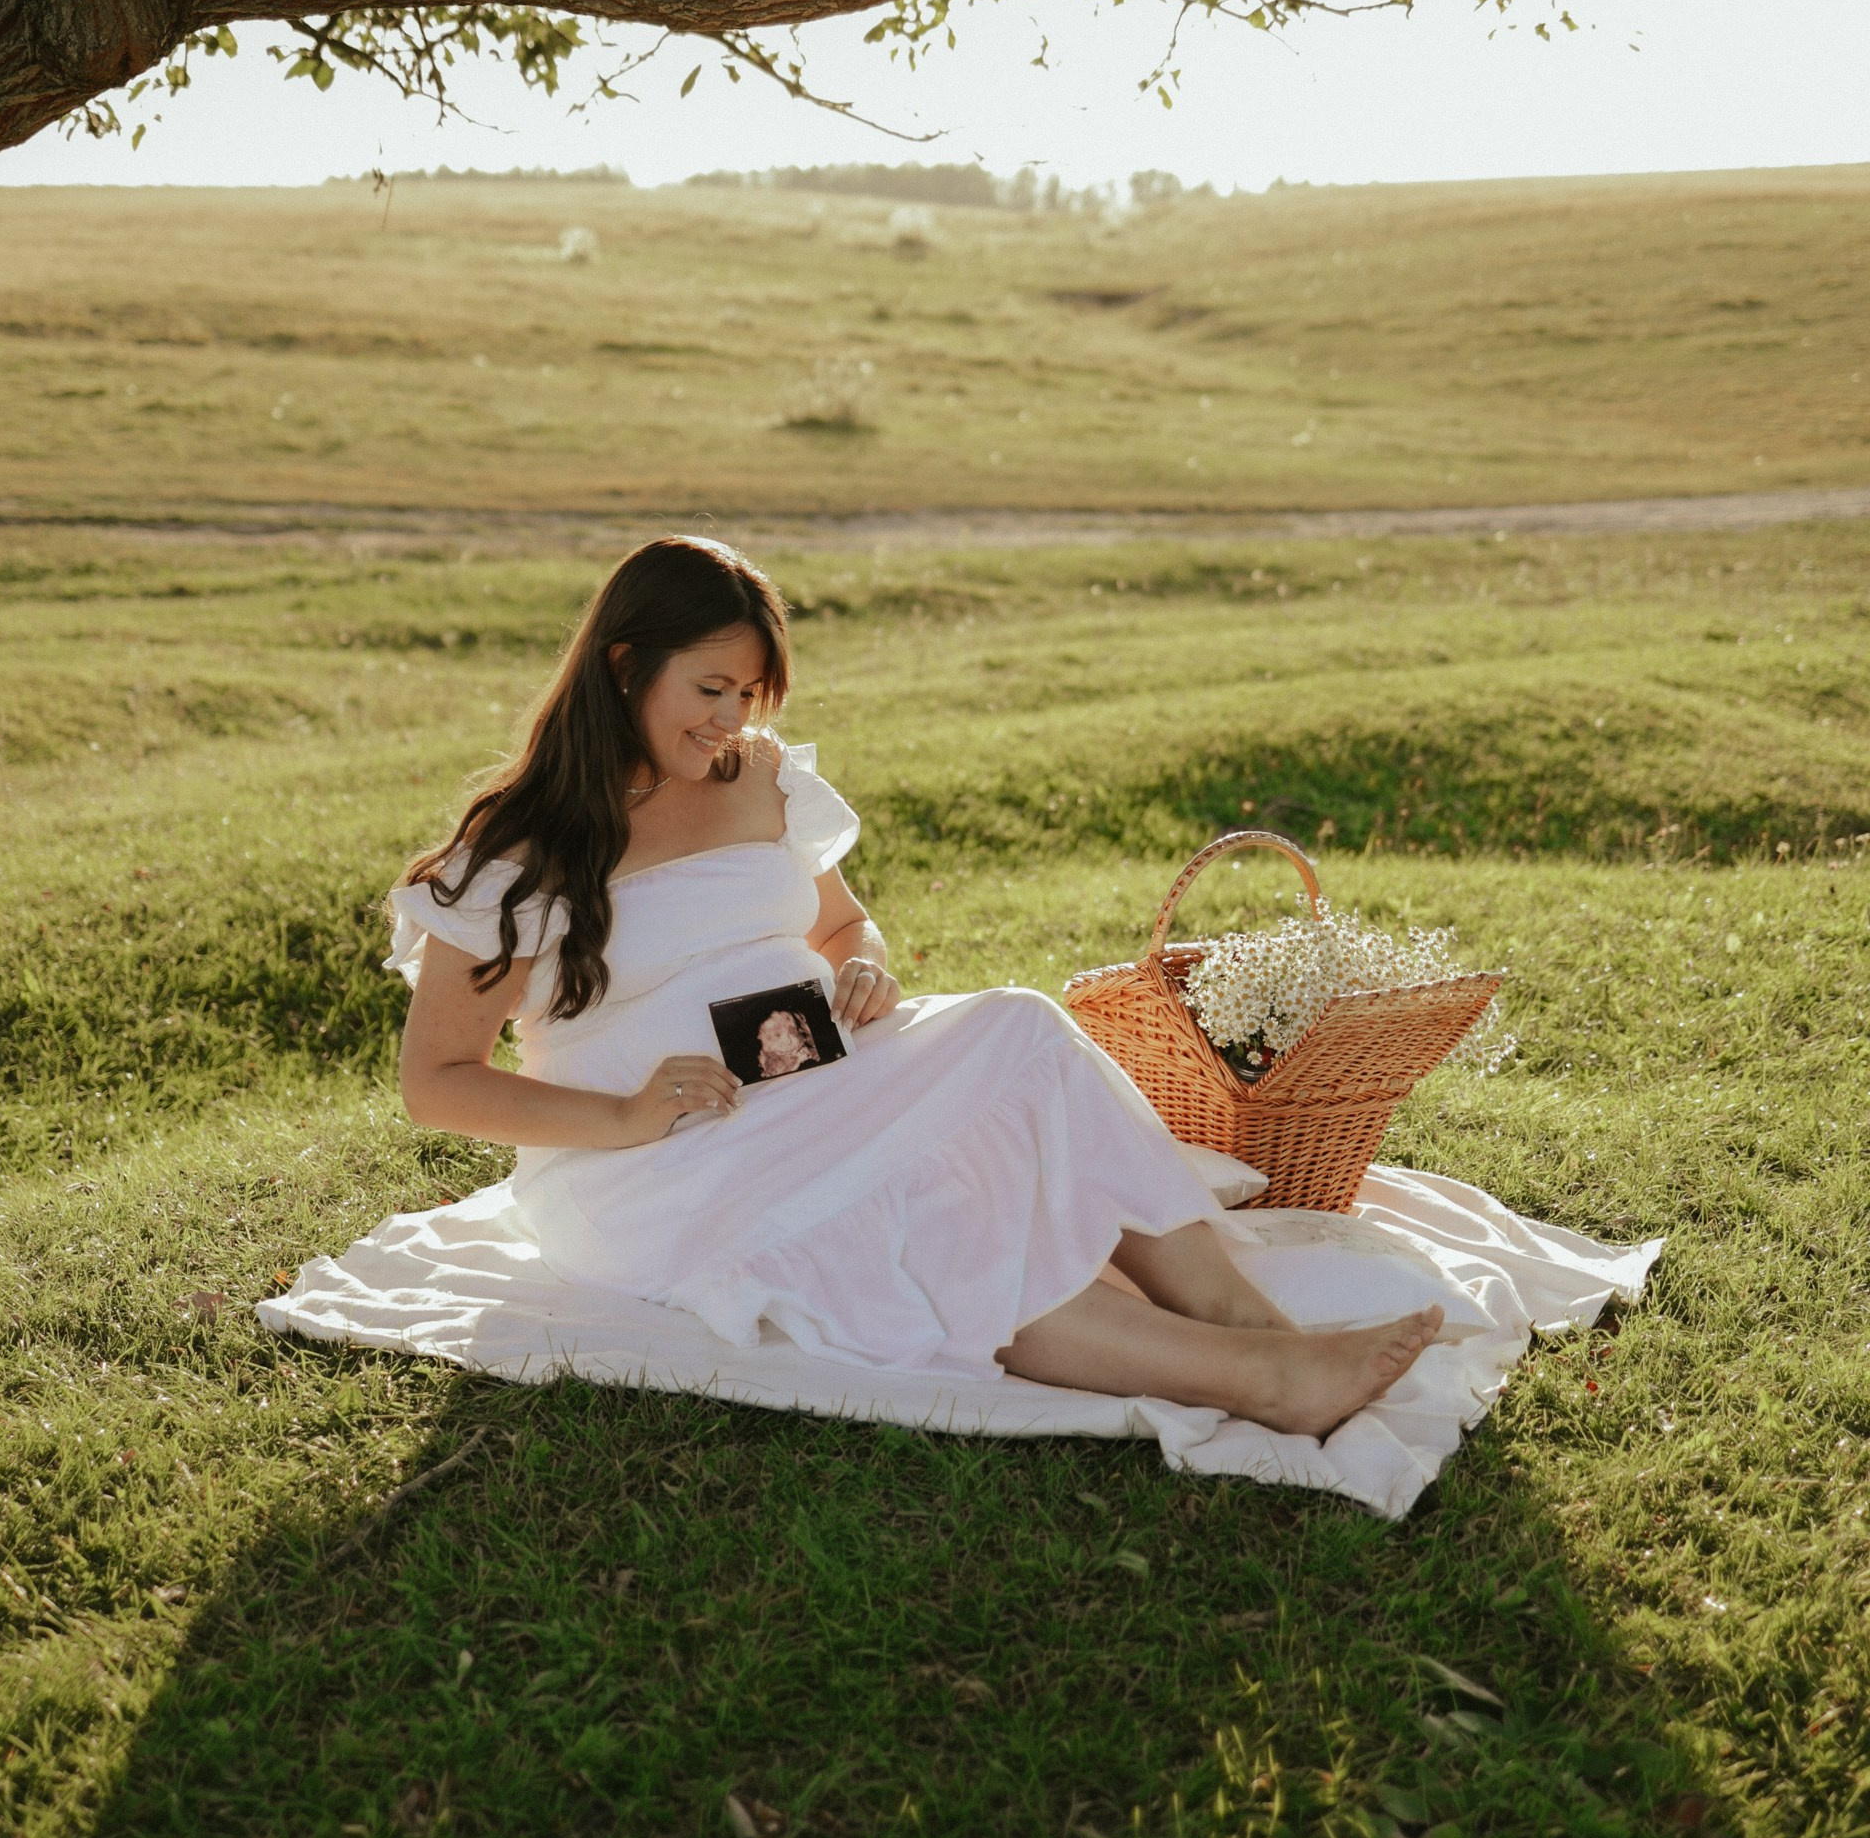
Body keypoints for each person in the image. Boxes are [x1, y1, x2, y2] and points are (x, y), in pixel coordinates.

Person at [391, 535, 1441, 1440]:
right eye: (709, 689)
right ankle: (1259, 1382)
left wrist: (865, 965)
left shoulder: (756, 777)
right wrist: (623, 1115)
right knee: (923, 1205)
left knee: (1023, 1031)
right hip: (661, 1156)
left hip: (814, 1063)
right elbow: (437, 1081)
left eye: (747, 695)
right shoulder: (518, 849)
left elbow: (841, 922)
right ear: (625, 666)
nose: (730, 719)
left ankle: (1251, 1324)